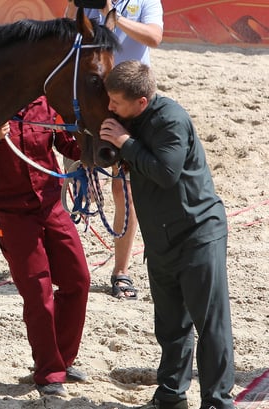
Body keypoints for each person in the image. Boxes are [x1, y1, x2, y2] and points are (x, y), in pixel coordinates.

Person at [99, 60, 235, 409]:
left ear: (141, 102)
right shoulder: (126, 121)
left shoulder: (171, 119)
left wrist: (126, 143)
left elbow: (166, 172)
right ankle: (171, 397)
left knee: (210, 325)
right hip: (160, 239)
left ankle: (218, 402)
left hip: (198, 233)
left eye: (115, 101)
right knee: (171, 324)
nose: (109, 107)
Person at [0, 96, 91, 397]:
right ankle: (49, 372)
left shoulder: (46, 103)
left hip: (52, 205)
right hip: (13, 213)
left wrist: (95, 140)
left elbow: (69, 146)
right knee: (38, 293)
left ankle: (62, 361)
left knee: (78, 280)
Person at [66, 0, 164, 300]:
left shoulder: (145, 1)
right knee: (70, 175)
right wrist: (75, 7)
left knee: (125, 191)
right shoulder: (87, 2)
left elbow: (154, 38)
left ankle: (121, 271)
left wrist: (114, 17)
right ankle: (61, 260)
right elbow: (65, 34)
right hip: (90, 97)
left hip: (130, 101)